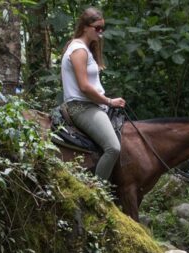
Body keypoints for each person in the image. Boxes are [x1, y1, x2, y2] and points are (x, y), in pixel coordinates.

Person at [60, 7, 125, 183]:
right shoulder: (79, 50)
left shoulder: (84, 49)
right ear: (85, 27)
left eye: (102, 28)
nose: (100, 32)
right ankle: (96, 194)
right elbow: (85, 87)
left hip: (92, 105)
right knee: (113, 148)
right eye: (97, 28)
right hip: (82, 107)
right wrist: (110, 101)